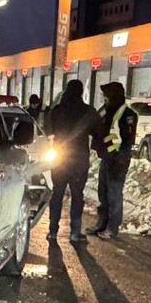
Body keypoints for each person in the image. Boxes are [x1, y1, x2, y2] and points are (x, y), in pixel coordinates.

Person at [45, 80, 101, 243]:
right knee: (77, 195)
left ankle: (52, 231)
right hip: (79, 158)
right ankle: (75, 232)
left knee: (57, 193)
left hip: (60, 157)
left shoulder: (57, 111)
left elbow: (48, 130)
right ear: (81, 92)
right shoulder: (87, 111)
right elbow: (98, 131)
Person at [87, 81, 138, 239]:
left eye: (106, 96)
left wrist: (120, 158)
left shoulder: (127, 114)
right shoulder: (107, 111)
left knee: (114, 195)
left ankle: (112, 227)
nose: (104, 99)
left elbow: (127, 140)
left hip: (118, 159)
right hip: (106, 157)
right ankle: (102, 223)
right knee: (103, 193)